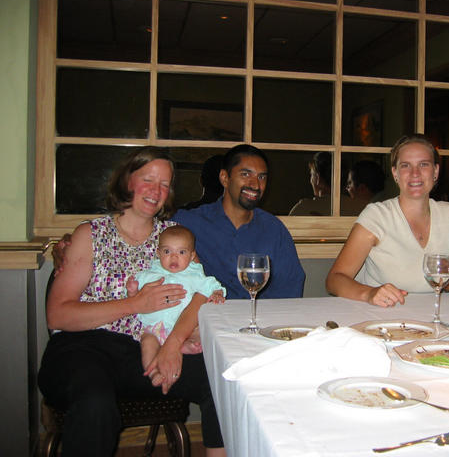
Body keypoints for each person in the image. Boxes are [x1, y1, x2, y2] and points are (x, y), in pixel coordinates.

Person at [39, 147, 225, 457]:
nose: (156, 191)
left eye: (164, 184)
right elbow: (57, 316)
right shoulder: (91, 234)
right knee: (94, 402)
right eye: (148, 180)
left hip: (146, 348)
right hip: (83, 347)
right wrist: (136, 304)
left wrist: (172, 345)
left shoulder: (175, 237)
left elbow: (200, 294)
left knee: (220, 383)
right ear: (126, 182)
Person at [326, 134, 449, 307]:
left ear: (435, 171)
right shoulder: (377, 216)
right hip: (381, 316)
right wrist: (370, 293)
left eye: (423, 164)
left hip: (432, 316)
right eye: (405, 165)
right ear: (395, 173)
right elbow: (334, 280)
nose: (415, 173)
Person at [173, 144, 305, 299]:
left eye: (261, 177)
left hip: (259, 319)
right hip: (204, 319)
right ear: (224, 178)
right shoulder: (190, 223)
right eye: (245, 174)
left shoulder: (274, 229)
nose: (255, 184)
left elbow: (290, 287)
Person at [130, 225, 226, 385]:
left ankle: (184, 346)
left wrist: (217, 293)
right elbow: (136, 297)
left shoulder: (194, 275)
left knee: (201, 333)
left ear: (191, 255)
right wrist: (132, 291)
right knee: (147, 343)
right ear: (158, 253)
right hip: (155, 327)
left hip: (182, 328)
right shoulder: (150, 274)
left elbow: (212, 286)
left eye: (181, 252)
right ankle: (153, 372)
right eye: (167, 252)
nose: (174, 258)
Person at [289, 151, 332, 216]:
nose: (310, 181)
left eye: (311, 175)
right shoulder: (352, 206)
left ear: (317, 178)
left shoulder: (304, 208)